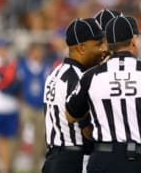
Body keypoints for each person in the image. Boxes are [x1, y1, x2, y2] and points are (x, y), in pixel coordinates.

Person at [65, 16, 141, 173]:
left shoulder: (91, 76)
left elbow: (71, 115)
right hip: (139, 160)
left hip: (102, 158)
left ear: (107, 44)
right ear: (133, 41)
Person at [42, 18, 107, 173]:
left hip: (54, 157)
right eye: (98, 44)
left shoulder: (55, 73)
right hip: (72, 159)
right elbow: (87, 130)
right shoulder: (80, 78)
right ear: (82, 47)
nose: (103, 49)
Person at [15, 41, 51, 173]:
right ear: (31, 51)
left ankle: (36, 166)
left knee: (40, 138)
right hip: (26, 105)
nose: (40, 53)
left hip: (40, 105)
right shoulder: (22, 65)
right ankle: (14, 160)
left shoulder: (46, 66)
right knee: (19, 133)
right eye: (37, 50)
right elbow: (17, 85)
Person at [0, 38, 20, 173]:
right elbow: (2, 84)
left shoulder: (11, 63)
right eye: (2, 47)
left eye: (6, 47)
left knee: (5, 140)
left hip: (10, 107)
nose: (5, 50)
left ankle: (5, 169)